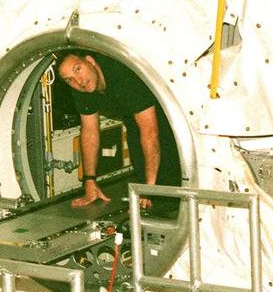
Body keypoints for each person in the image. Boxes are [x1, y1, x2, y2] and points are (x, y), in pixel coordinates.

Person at [55, 50, 180, 208]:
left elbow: (150, 133)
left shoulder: (121, 74)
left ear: (90, 61)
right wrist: (89, 181)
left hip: (171, 113)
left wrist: (149, 187)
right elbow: (89, 133)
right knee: (144, 176)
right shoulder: (83, 90)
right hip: (134, 118)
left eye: (78, 69)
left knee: (168, 183)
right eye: (69, 80)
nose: (79, 81)